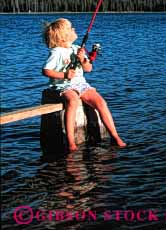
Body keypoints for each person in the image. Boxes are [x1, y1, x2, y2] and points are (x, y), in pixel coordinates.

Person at [42, 18, 126, 152]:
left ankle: (115, 136)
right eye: (70, 28)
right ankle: (71, 142)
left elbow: (88, 69)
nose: (74, 29)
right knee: (73, 102)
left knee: (101, 102)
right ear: (63, 37)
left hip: (81, 84)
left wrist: (82, 59)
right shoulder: (56, 52)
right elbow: (46, 71)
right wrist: (64, 75)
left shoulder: (77, 48)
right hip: (64, 86)